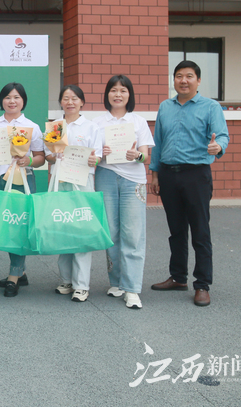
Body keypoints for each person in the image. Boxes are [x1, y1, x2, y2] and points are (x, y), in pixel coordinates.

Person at [149, 60, 229, 307]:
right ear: (174, 80)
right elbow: (158, 142)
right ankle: (178, 277)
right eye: (179, 76)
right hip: (169, 175)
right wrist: (154, 174)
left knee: (200, 231)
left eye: (189, 76)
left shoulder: (210, 107)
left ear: (198, 80)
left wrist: (218, 147)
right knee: (176, 230)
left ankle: (202, 284)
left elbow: (222, 135)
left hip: (196, 175)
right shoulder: (165, 106)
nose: (184, 80)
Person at [93, 75, 154, 310]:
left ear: (130, 95)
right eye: (113, 90)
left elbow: (146, 156)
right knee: (111, 232)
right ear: (107, 94)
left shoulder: (138, 121)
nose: (118, 95)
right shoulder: (97, 122)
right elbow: (93, 157)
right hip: (106, 177)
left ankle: (132, 289)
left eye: (123, 90)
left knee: (133, 234)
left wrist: (136, 156)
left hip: (133, 180)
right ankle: (116, 281)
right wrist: (101, 154)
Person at [0, 82, 45, 297]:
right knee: (8, 227)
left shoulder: (32, 127)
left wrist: (29, 160)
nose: (12, 101)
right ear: (2, 101)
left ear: (23, 100)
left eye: (16, 97)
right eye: (8, 97)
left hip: (23, 180)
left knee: (19, 226)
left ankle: (13, 276)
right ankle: (21, 272)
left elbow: (40, 158)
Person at [44, 85, 103, 303]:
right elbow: (49, 156)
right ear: (60, 102)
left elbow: (97, 157)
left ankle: (82, 285)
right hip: (61, 181)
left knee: (81, 230)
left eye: (74, 98)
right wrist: (53, 156)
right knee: (63, 228)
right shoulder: (55, 126)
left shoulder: (91, 127)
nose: (70, 102)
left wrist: (93, 160)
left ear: (82, 102)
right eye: (66, 98)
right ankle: (66, 280)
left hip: (83, 182)